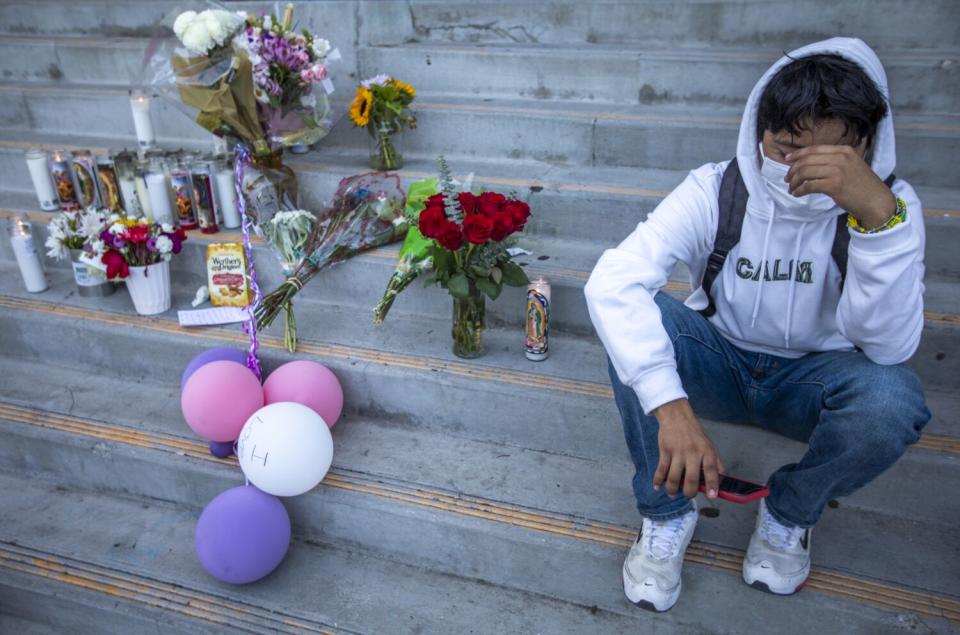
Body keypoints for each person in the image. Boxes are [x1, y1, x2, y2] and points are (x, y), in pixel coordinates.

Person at [584, 38, 930, 613]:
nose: (802, 171)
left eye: (830, 156)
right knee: (638, 317)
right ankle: (666, 512)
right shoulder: (719, 187)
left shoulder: (891, 207)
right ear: (758, 131)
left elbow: (889, 347)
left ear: (865, 145)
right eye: (788, 147)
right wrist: (669, 404)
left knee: (894, 401)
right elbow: (613, 280)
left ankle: (789, 511)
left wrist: (876, 222)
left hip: (813, 382)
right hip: (719, 357)